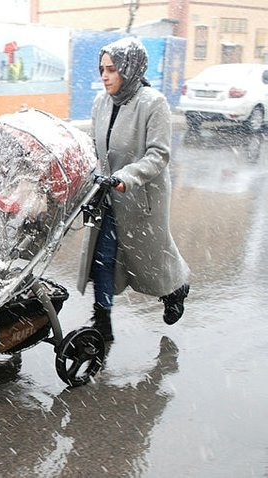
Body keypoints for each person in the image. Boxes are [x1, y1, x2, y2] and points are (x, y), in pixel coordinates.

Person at [78, 37, 190, 342]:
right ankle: (102, 321)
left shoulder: (154, 103)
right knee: (103, 257)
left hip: (140, 197)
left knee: (152, 258)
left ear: (130, 69)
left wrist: (126, 177)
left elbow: (158, 155)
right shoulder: (101, 102)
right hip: (106, 196)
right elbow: (94, 147)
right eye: (102, 69)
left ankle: (175, 289)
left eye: (112, 69)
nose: (104, 75)